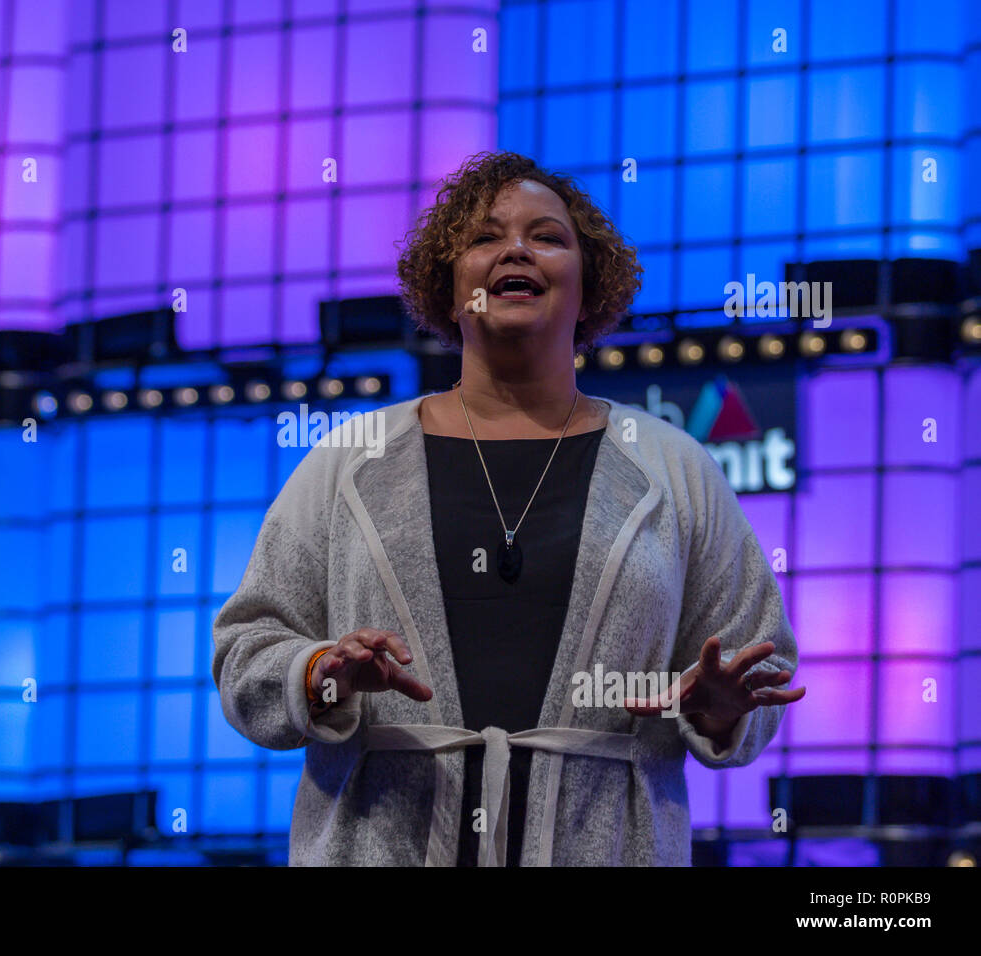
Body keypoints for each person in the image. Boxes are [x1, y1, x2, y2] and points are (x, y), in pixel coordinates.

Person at [212, 150, 804, 866]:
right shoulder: (350, 460)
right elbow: (247, 652)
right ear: (448, 286)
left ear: (588, 290)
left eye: (547, 237)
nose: (516, 249)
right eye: (486, 237)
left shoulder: (673, 468)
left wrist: (720, 705)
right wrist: (322, 672)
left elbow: (761, 670)